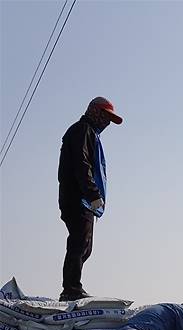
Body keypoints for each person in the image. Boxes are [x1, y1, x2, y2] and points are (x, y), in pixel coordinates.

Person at [57, 97, 122, 302]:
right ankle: (71, 289)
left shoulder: (90, 134)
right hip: (78, 198)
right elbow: (81, 164)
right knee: (78, 242)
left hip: (84, 200)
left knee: (85, 246)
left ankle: (73, 287)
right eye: (106, 116)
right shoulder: (82, 130)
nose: (107, 123)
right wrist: (93, 194)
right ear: (95, 112)